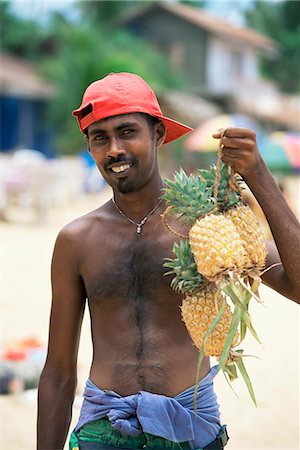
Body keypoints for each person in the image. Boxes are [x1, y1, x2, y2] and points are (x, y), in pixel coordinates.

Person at [37, 72, 300, 450]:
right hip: (103, 426)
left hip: (190, 421)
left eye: (128, 132)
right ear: (89, 146)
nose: (114, 149)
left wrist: (259, 178)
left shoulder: (208, 225)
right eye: (100, 137)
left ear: (158, 134)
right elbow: (59, 372)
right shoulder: (77, 241)